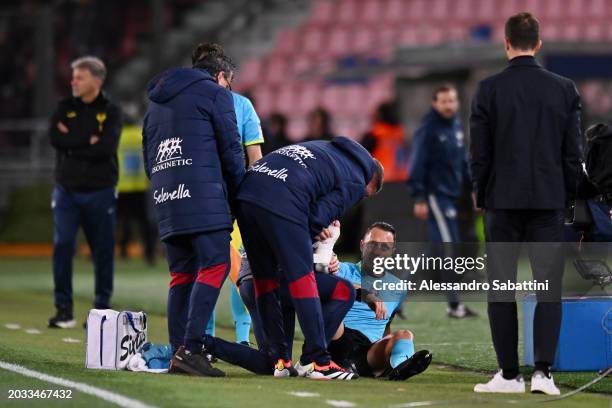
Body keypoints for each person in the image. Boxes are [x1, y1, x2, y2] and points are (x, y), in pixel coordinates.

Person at [470, 13, 582, 394]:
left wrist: (480, 193)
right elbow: (573, 152)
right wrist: (567, 196)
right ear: (538, 43)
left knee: (500, 288)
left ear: (505, 43)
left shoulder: (488, 90)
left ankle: (508, 375)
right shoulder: (565, 89)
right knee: (549, 288)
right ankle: (543, 374)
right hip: (548, 202)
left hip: (501, 201)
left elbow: (479, 154)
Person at [235, 137, 384, 380]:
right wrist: (309, 238)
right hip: (281, 201)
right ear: (371, 183)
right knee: (304, 280)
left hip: (247, 194)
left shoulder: (324, 148)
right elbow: (316, 218)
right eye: (365, 196)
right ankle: (318, 362)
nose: (360, 198)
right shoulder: (357, 180)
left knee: (266, 281)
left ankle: (280, 362)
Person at [142, 43, 245, 377]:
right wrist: (240, 194)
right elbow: (231, 151)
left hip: (167, 197)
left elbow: (148, 157)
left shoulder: (156, 102)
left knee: (181, 274)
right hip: (204, 197)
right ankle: (191, 349)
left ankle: (177, 351)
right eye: (229, 82)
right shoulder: (216, 95)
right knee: (215, 265)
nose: (229, 89)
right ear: (220, 75)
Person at [192, 43, 265, 346]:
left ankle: (227, 339)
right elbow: (255, 157)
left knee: (224, 270)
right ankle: (224, 339)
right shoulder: (239, 105)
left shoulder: (190, 106)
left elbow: (256, 158)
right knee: (223, 271)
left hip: (208, 198)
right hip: (224, 198)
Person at [48, 56, 122, 328]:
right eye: (73, 77)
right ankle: (63, 309)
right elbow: (55, 139)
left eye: (79, 77)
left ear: (96, 80)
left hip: (100, 191)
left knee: (102, 251)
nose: (73, 82)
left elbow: (105, 148)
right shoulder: (63, 106)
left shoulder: (112, 111)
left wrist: (73, 144)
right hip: (66, 191)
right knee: (63, 244)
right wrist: (87, 141)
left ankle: (101, 309)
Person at [328, 222, 432, 380]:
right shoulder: (338, 269)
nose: (377, 251)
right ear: (362, 246)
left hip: (368, 351)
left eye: (385, 247)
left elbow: (386, 324)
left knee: (405, 335)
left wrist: (387, 348)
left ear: (392, 252)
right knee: (329, 307)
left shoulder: (398, 288)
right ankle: (320, 360)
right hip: (336, 338)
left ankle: (399, 368)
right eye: (373, 244)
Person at [408, 85, 477, 319]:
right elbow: (417, 163)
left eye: (452, 101)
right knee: (450, 249)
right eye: (444, 101)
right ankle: (454, 305)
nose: (449, 105)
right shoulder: (428, 130)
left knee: (435, 251)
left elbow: (462, 163)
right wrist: (419, 196)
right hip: (436, 196)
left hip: (452, 196)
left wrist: (472, 190)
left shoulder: (456, 127)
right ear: (435, 103)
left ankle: (392, 294)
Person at [116, 109, 156, 264]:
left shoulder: (118, 136)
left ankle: (123, 251)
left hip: (122, 185)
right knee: (144, 222)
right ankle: (149, 253)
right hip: (140, 184)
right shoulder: (140, 134)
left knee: (123, 221)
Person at [361, 101, 408, 182]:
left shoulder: (376, 133)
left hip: (381, 178)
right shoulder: (399, 133)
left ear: (380, 115)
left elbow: (362, 155)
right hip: (400, 178)